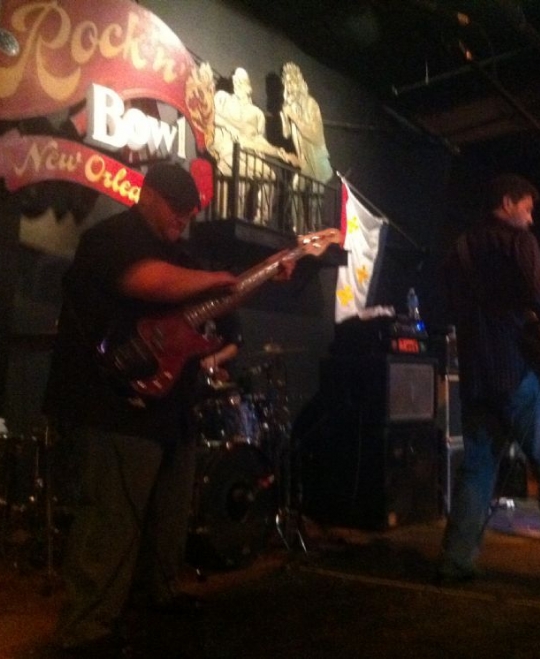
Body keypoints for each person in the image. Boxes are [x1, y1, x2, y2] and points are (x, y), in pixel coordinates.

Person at [43, 162, 291, 656]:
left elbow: (216, 305)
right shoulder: (111, 238)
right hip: (111, 401)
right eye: (176, 208)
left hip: (169, 405)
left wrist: (263, 276)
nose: (183, 218)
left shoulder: (182, 254)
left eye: (189, 212)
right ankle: (87, 628)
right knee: (112, 517)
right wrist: (220, 277)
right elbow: (147, 283)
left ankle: (155, 596)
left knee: (168, 516)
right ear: (147, 194)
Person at [438, 173, 540, 596]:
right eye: (526, 208)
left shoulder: (460, 247)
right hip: (522, 372)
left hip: (478, 376)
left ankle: (455, 561)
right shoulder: (520, 243)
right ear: (507, 203)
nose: (529, 217)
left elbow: (450, 305)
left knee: (477, 470)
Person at [211, 68, 287, 222]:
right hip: (229, 149)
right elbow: (214, 117)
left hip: (248, 152)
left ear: (248, 86)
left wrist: (278, 151)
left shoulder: (256, 113)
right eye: (236, 80)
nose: (238, 83)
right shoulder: (223, 98)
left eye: (242, 81)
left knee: (269, 175)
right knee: (235, 169)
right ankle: (231, 216)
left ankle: (261, 218)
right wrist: (233, 128)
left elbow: (258, 140)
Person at [279, 62, 334, 232]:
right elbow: (287, 134)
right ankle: (297, 228)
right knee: (295, 189)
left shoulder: (311, 104)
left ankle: (314, 230)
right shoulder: (291, 106)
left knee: (314, 198)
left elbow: (316, 136)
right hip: (305, 162)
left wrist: (294, 116)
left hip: (317, 161)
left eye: (292, 82)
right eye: (286, 83)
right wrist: (284, 116)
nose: (289, 86)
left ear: (299, 82)